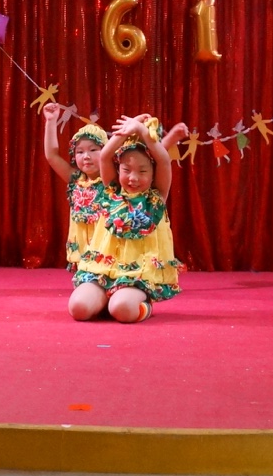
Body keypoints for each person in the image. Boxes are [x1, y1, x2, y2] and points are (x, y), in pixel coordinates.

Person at [71, 115, 185, 323]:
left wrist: (142, 131)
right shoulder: (111, 190)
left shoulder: (155, 197)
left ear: (153, 173)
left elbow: (163, 160)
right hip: (102, 271)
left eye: (142, 171)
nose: (133, 178)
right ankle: (106, 299)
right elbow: (105, 156)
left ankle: (140, 304)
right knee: (79, 308)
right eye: (126, 170)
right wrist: (125, 131)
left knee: (122, 309)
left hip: (136, 276)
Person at [40, 103, 110, 270]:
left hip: (107, 255)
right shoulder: (76, 179)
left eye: (93, 150)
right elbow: (52, 156)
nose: (86, 156)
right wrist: (51, 121)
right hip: (83, 255)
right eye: (80, 152)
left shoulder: (111, 180)